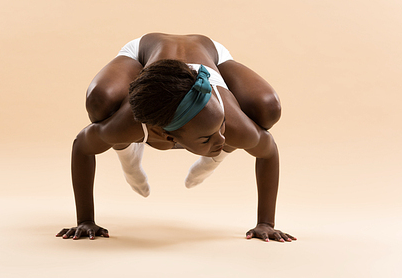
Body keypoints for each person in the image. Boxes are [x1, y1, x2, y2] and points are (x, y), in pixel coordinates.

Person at [56, 33, 296, 242]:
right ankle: (128, 154)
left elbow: (269, 150)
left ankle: (212, 159)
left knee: (268, 109)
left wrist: (266, 223)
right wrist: (85, 219)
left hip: (209, 53)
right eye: (206, 138)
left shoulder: (232, 124)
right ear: (163, 134)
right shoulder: (129, 124)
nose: (222, 139)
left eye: (221, 128)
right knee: (98, 103)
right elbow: (82, 146)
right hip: (142, 53)